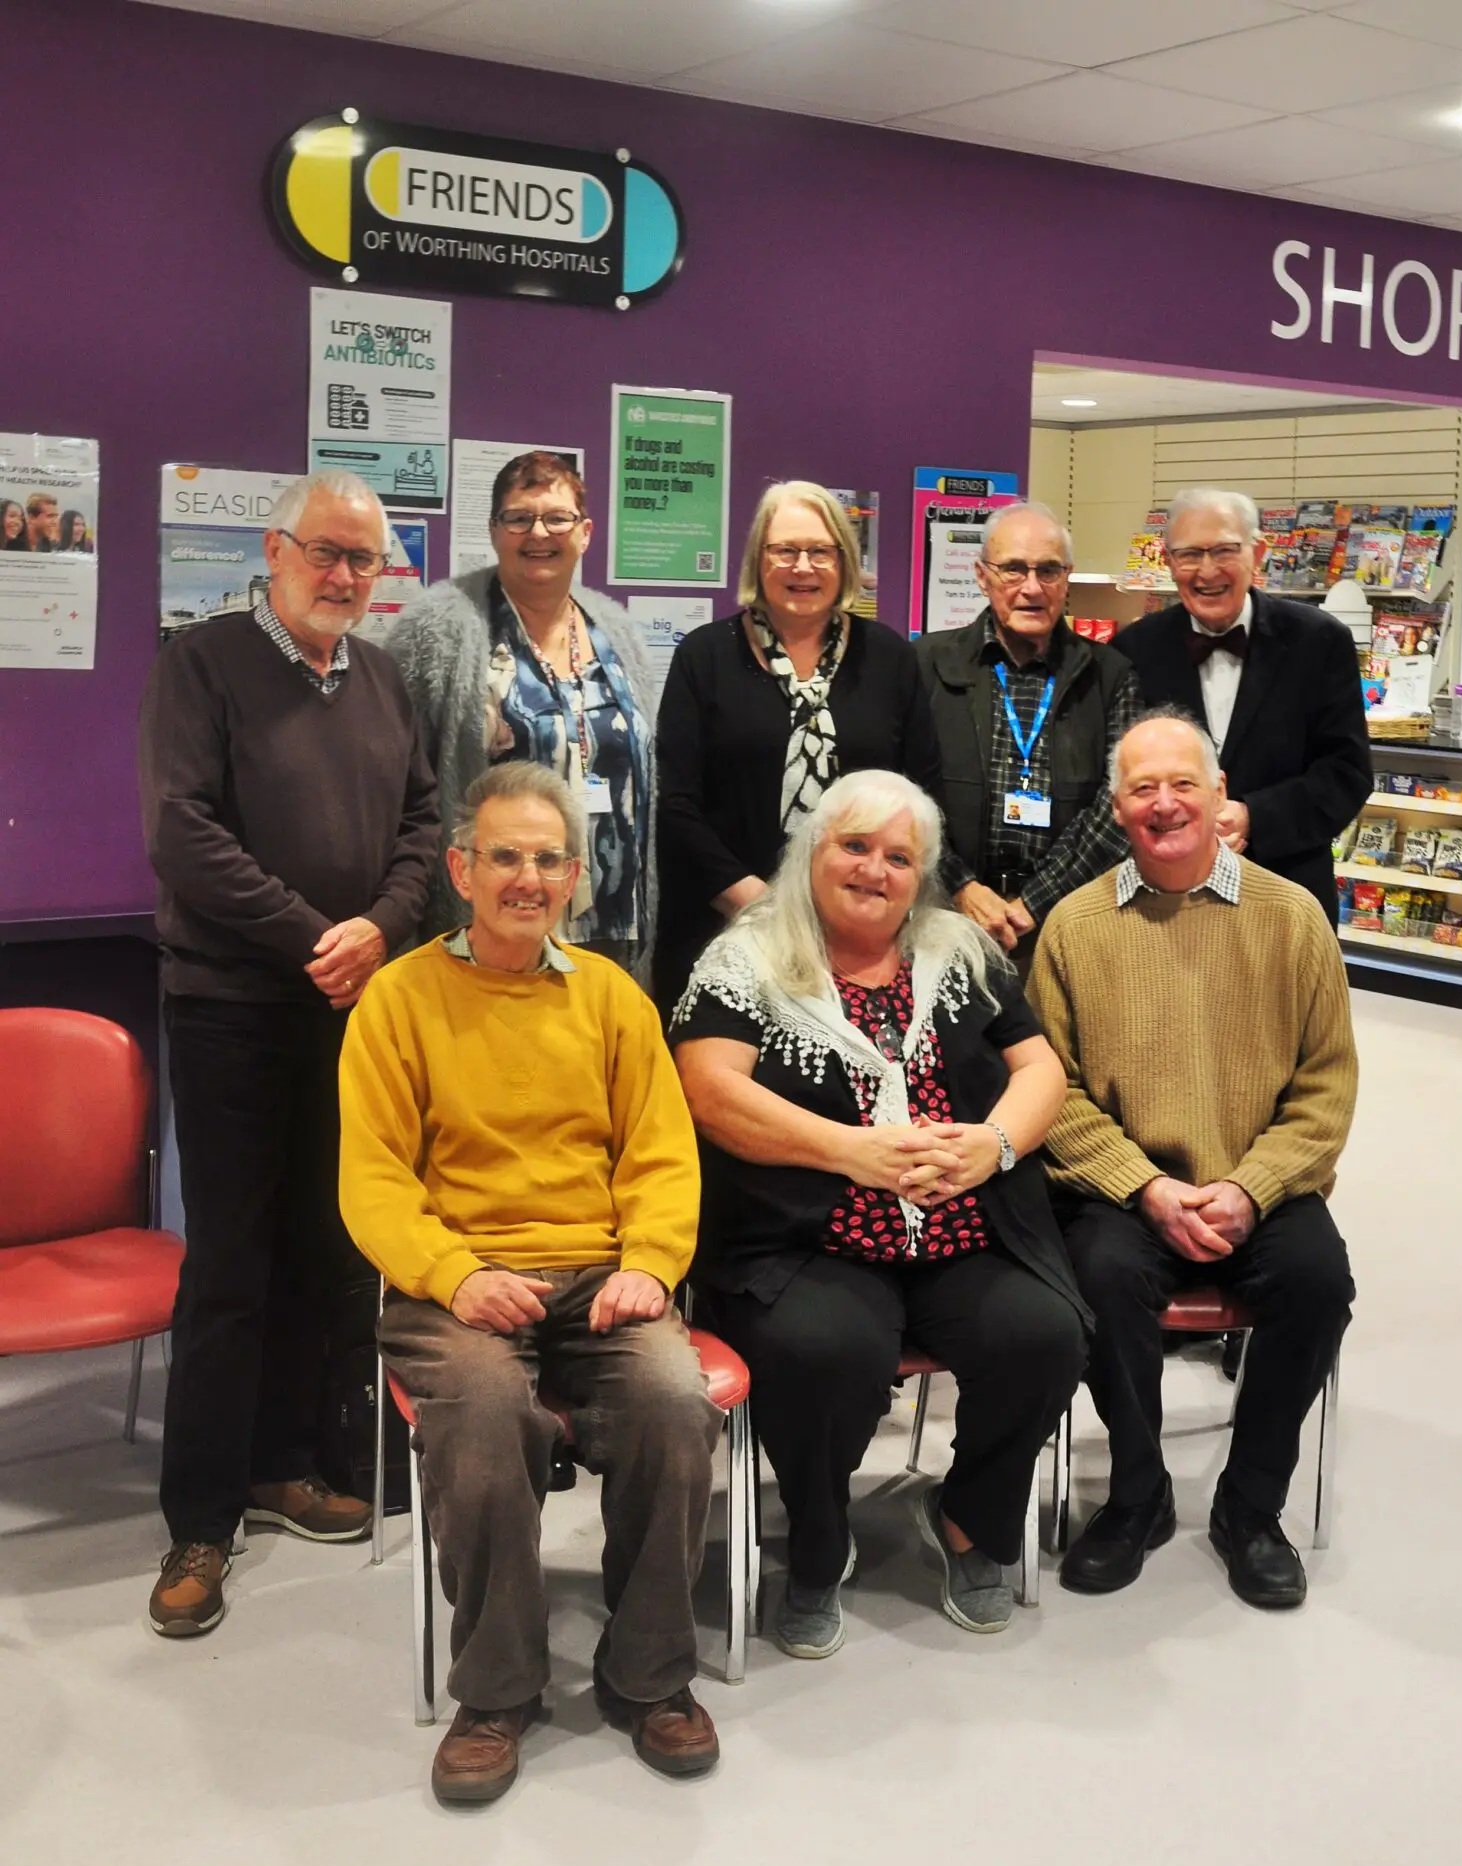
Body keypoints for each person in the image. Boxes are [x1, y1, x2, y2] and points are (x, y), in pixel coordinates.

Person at [338, 760, 723, 1804]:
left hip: (601, 1277)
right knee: (480, 1417)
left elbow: (661, 1157)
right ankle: (496, 1691)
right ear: (461, 870)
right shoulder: (398, 1000)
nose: (528, 878)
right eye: (504, 856)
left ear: (574, 879)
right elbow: (372, 1179)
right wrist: (456, 1274)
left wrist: (649, 1266)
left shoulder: (612, 998)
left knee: (671, 1402)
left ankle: (649, 1676)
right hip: (456, 1281)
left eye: (549, 859)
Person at [673, 770, 1087, 1656]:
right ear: (810, 852)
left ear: (923, 875)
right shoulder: (748, 957)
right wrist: (849, 1151)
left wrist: (994, 1145)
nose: (875, 870)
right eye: (854, 846)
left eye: (900, 857)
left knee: (1045, 1334)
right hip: (804, 1237)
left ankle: (969, 1518)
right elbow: (708, 1091)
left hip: (962, 1230)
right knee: (827, 1353)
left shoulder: (961, 953)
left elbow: (1040, 1068)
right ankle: (818, 1542)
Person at [137, 470, 440, 1639]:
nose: (345, 575)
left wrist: (381, 926)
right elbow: (181, 833)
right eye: (327, 551)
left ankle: (288, 1467)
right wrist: (317, 936)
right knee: (229, 1267)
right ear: (275, 550)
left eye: (365, 560)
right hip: (231, 1008)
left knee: (327, 1250)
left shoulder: (381, 678)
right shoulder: (201, 663)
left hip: (351, 1009)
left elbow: (423, 825)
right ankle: (200, 1522)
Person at [1031, 712, 1357, 1610]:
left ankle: (1249, 1508)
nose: (1164, 803)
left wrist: (1251, 1189)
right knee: (1096, 1279)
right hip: (1128, 1189)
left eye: (1184, 784)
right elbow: (1052, 1089)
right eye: (1142, 788)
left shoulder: (1292, 918)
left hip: (1263, 1184)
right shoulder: (1073, 927)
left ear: (1220, 797)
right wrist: (1146, 1187)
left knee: (1318, 1283)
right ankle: (1137, 1494)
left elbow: (1327, 1087)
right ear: (1116, 808)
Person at [655, 482, 943, 1013]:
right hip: (723, 925)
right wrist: (761, 906)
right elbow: (675, 803)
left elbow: (922, 793)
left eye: (820, 551)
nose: (803, 567)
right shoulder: (705, 656)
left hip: (859, 934)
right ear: (758, 559)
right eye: (785, 550)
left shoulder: (890, 659)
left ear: (844, 560)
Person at [384, 451, 656, 973]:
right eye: (518, 518)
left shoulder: (618, 633)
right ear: (493, 530)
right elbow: (398, 798)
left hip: (611, 928)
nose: (538, 533)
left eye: (557, 518)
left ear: (585, 533)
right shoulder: (436, 632)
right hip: (491, 934)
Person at [1116, 488, 1373, 927]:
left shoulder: (1320, 642)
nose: (1207, 570)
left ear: (1258, 553)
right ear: (1169, 561)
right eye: (1190, 554)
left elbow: (1347, 772)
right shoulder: (1132, 651)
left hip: (1286, 897)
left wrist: (1256, 816)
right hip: (1164, 904)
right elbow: (1120, 782)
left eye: (1224, 551)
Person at [917, 501, 1141, 979]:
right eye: (1014, 569)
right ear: (982, 576)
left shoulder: (1110, 676)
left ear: (1067, 578)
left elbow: (1119, 806)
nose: (1032, 587)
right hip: (941, 921)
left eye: (1049, 570)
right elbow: (904, 792)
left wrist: (1033, 904)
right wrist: (960, 886)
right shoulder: (926, 664)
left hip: (1069, 927)